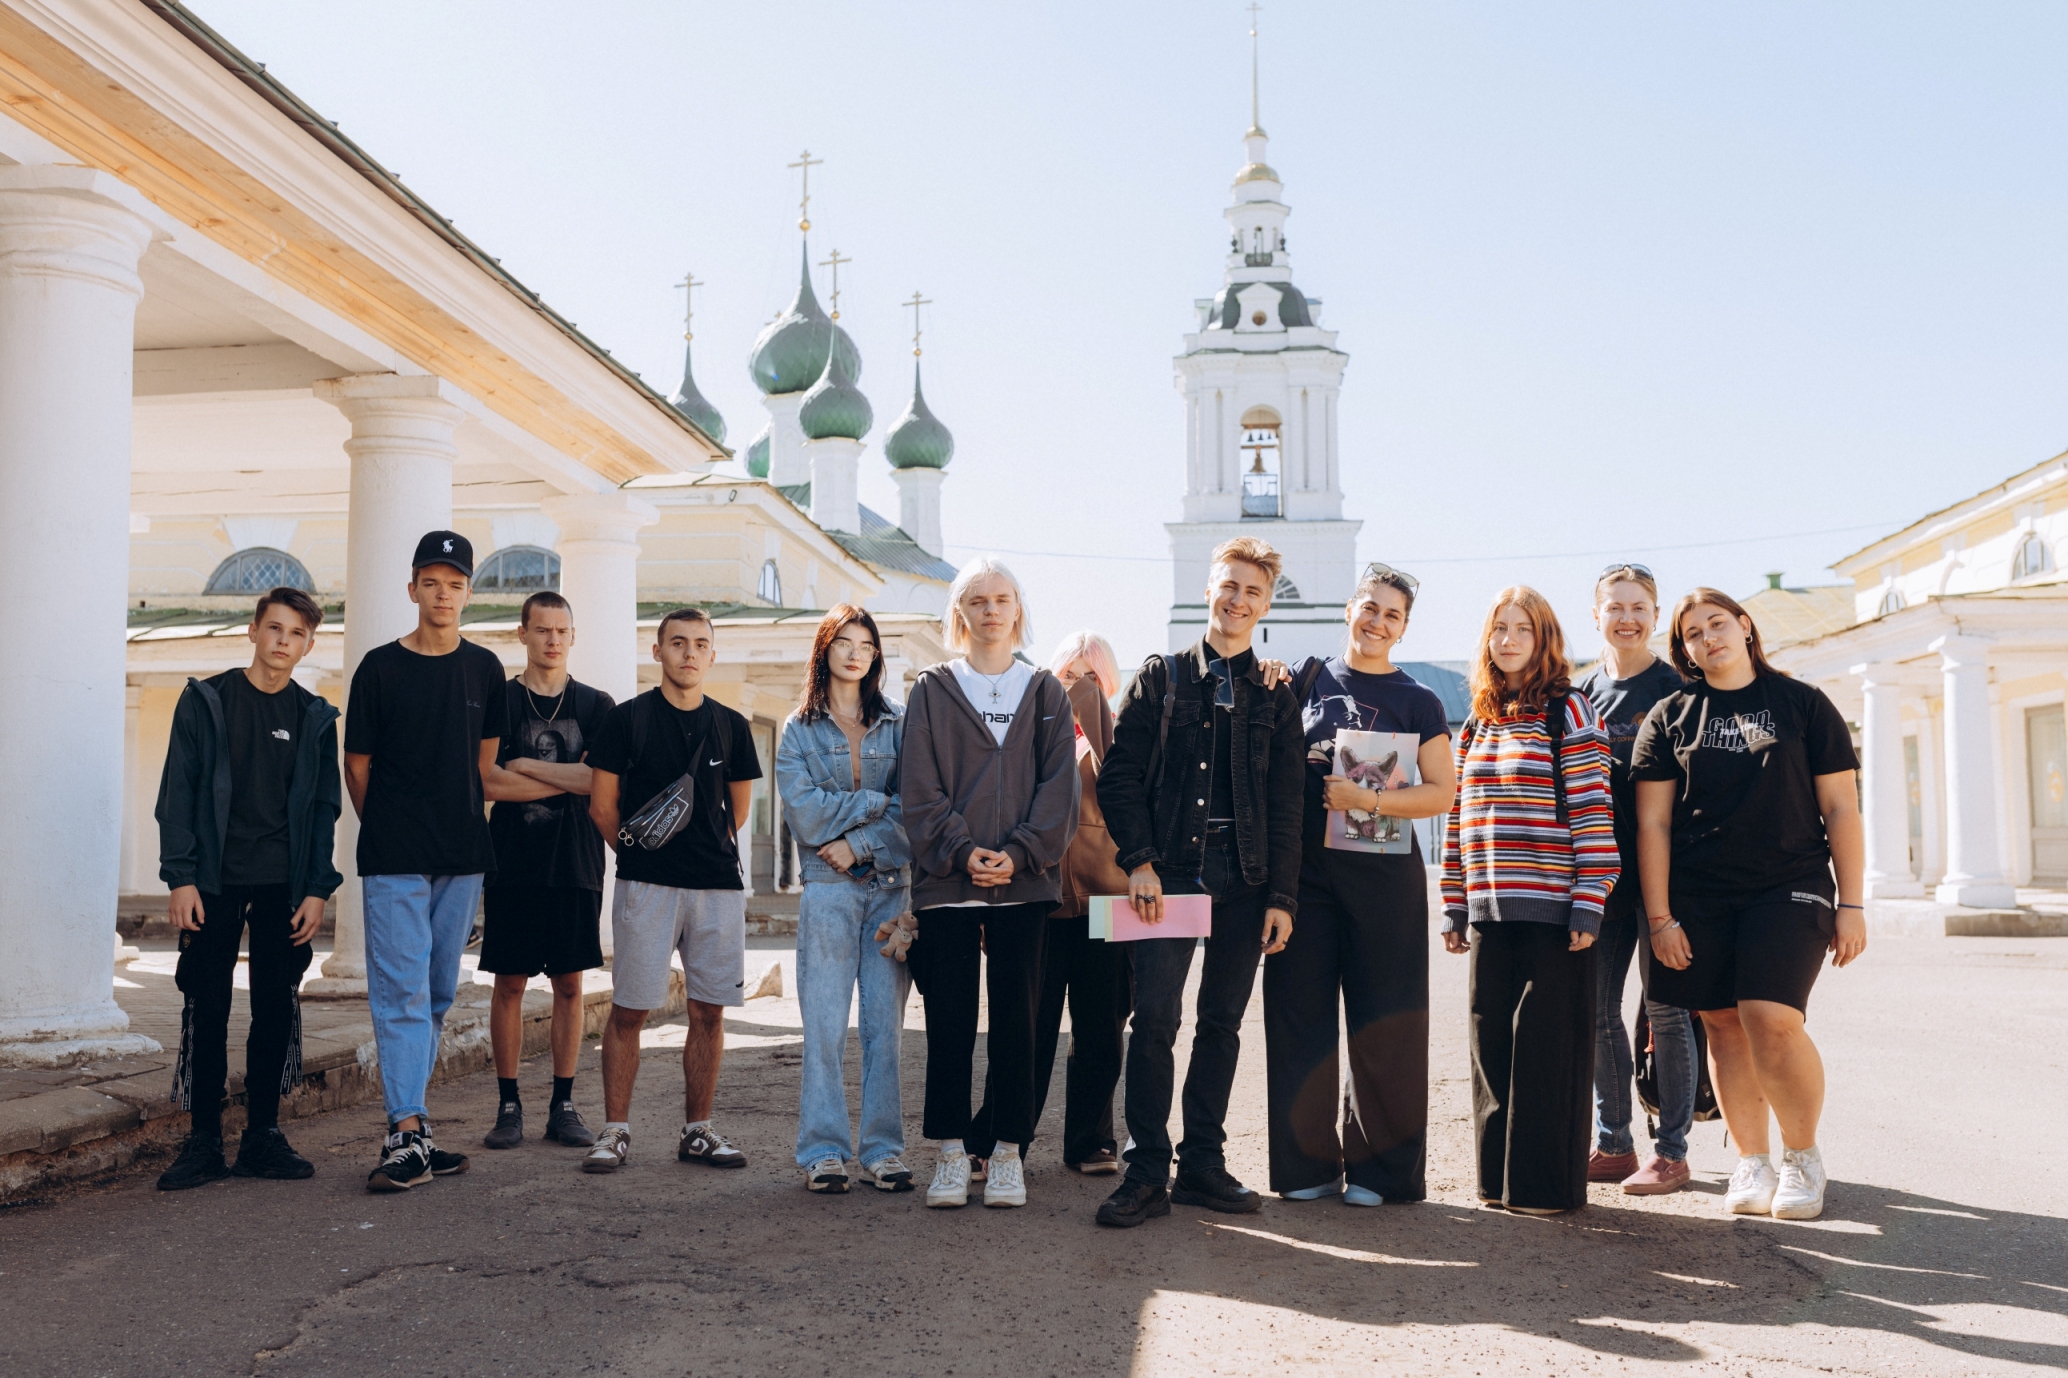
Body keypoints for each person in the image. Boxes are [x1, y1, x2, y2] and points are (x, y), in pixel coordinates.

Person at [1633, 588, 1865, 1222]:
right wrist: (1660, 918)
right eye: (1692, 633)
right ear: (1683, 650)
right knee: (1722, 1024)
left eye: (1717, 623)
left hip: (1789, 883)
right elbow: (1652, 824)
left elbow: (1841, 807)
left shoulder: (1803, 704)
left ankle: (1802, 1157)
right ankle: (1752, 1160)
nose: (1708, 637)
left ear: (1744, 626)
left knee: (1769, 1017)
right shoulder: (1671, 717)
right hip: (1700, 893)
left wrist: (1852, 903)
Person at [1094, 537, 1303, 1229]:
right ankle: (1146, 1171)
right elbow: (1119, 778)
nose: (1238, 600)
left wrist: (1281, 897)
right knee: (1154, 1020)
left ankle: (1202, 1165)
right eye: (1229, 586)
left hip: (1245, 878)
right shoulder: (1162, 679)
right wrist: (1140, 862)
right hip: (1172, 875)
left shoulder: (1275, 693)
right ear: (1209, 589)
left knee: (1222, 1024)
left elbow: (1287, 803)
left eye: (1253, 592)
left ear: (1265, 606)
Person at [346, 531, 533, 1192]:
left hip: (462, 855)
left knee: (434, 993)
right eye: (431, 583)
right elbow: (357, 766)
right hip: (396, 855)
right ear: (413, 589)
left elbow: (485, 769)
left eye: (454, 585)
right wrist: (390, 827)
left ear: (468, 593)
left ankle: (416, 1128)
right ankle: (404, 1130)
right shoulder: (378, 667)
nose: (443, 595)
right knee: (400, 991)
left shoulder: (484, 669)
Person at [1267, 563, 1455, 1207]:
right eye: (1370, 607)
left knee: (1386, 1022)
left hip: (1384, 879)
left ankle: (1381, 1173)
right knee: (1299, 1017)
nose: (1377, 621)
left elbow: (1442, 793)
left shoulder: (1419, 699)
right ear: (1350, 608)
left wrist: (1367, 799)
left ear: (1403, 629)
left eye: (1392, 615)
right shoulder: (1304, 679)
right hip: (1304, 879)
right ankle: (1306, 1168)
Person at [900, 558, 1079, 1210]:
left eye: (1002, 599)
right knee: (948, 1020)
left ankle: (1006, 1153)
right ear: (960, 613)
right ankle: (951, 1153)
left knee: (1017, 1023)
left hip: (1024, 884)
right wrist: (961, 850)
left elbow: (1061, 787)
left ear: (1018, 610)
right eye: (978, 601)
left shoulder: (1046, 692)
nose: (991, 611)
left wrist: (1020, 852)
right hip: (947, 884)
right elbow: (918, 785)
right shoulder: (933, 689)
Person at [153, 587, 341, 1190]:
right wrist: (181, 877)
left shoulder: (313, 717)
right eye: (275, 628)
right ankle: (204, 1141)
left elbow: (323, 810)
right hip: (213, 881)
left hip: (285, 884)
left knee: (275, 1006)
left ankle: (262, 1136)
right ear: (254, 630)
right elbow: (177, 793)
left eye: (297, 633)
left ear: (308, 645)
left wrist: (317, 889)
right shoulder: (207, 701)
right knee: (206, 1006)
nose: (284, 641)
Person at [1440, 585, 1619, 1215]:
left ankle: (1543, 1191)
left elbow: (1594, 812)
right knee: (1490, 1049)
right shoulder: (1478, 721)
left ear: (1545, 639)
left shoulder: (1569, 711)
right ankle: (1497, 1184)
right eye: (1500, 629)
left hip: (1555, 912)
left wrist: (1590, 899)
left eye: (1523, 629)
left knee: (1548, 1054)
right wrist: (1455, 902)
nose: (1509, 639)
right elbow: (1460, 817)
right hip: (1490, 912)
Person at [583, 608, 762, 1174]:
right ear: (657, 651)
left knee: (709, 1011)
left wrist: (698, 853)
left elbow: (736, 811)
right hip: (646, 885)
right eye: (678, 642)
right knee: (630, 1009)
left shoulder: (731, 726)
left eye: (700, 644)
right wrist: (641, 856)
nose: (689, 653)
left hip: (717, 887)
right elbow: (602, 807)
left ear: (712, 655)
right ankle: (615, 1131)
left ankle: (697, 1131)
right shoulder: (627, 720)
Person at [968, 631, 1133, 1176]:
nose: (1078, 685)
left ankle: (1091, 1140)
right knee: (1026, 1027)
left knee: (1101, 1029)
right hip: (1039, 899)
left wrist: (1093, 711)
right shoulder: (1030, 732)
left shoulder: (1122, 735)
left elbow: (1122, 790)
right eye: (1068, 674)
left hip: (1107, 901)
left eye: (1091, 676)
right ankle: (997, 1137)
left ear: (1107, 682)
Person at [776, 605, 915, 1194]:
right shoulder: (797, 729)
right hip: (828, 892)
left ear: (876, 655)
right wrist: (875, 805)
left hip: (891, 895)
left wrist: (856, 842)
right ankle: (824, 1151)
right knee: (825, 1027)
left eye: (866, 645)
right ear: (824, 650)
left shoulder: (901, 723)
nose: (855, 654)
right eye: (844, 643)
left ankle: (882, 1150)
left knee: (885, 1027)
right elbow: (805, 816)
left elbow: (917, 810)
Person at [1577, 564, 1700, 1197]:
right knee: (1597, 1012)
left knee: (1666, 1011)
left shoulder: (1679, 688)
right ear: (1595, 614)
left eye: (1639, 608)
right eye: (1615, 607)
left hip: (1665, 882)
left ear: (1655, 615)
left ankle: (1671, 1153)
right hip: (1599, 882)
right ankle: (1615, 1143)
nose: (1627, 618)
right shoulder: (1580, 694)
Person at [478, 591, 613, 1152]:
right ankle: (508, 1105)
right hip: (511, 863)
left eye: (561, 631)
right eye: (542, 630)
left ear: (572, 636)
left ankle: (564, 1105)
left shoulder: (597, 706)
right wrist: (566, 778)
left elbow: (598, 782)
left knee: (570, 985)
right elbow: (487, 782)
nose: (552, 640)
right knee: (509, 984)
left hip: (575, 863)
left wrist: (527, 766)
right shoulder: (501, 702)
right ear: (523, 634)